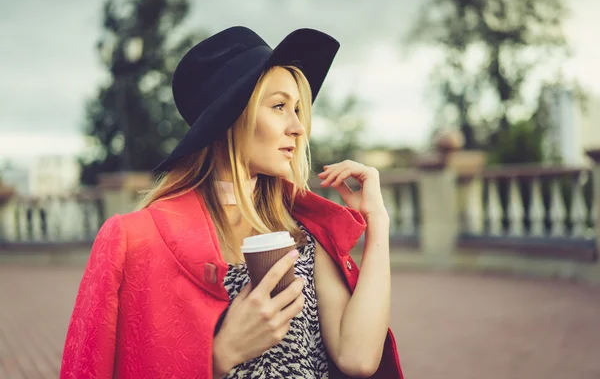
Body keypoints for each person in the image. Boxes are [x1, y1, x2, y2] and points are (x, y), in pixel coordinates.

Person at [60, 26, 404, 379]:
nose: (298, 127)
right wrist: (222, 354)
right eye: (280, 106)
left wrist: (377, 222)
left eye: (298, 109)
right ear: (232, 118)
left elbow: (358, 358)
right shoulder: (134, 241)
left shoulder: (302, 234)